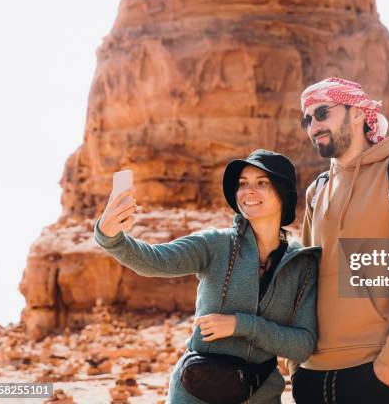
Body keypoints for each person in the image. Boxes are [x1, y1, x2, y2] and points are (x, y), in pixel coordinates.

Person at [93, 149, 320, 404]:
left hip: (261, 396)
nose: (248, 191)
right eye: (242, 184)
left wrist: (240, 325)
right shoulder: (215, 244)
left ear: (283, 193)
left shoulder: (303, 262)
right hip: (196, 394)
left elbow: (303, 344)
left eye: (262, 183)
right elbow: (154, 261)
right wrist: (111, 237)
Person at [292, 77, 389, 404]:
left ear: (357, 113)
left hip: (377, 372)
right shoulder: (317, 191)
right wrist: (296, 362)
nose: (313, 126)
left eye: (321, 113)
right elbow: (304, 278)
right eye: (307, 119)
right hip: (313, 375)